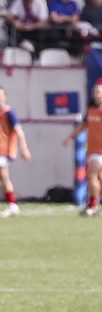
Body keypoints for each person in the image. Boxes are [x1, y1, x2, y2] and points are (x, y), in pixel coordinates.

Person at [62, 79, 102, 217]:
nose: (97, 94)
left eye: (100, 92)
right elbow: (84, 125)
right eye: (95, 92)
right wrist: (70, 137)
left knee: (91, 175)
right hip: (93, 149)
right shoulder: (92, 109)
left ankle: (92, 205)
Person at [0, 87, 32, 218]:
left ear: (5, 97)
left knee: (4, 176)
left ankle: (12, 205)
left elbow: (19, 131)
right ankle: (12, 204)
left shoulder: (9, 112)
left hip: (4, 150)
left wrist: (24, 148)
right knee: (3, 178)